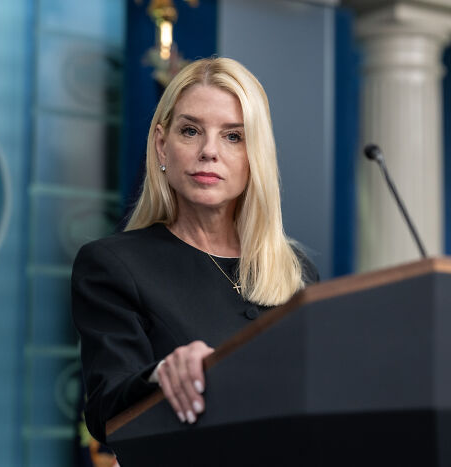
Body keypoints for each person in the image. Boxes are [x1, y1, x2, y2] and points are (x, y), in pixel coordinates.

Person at [71, 57, 319, 444]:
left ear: (257, 156)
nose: (209, 151)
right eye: (190, 131)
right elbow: (105, 409)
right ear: (162, 145)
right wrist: (161, 373)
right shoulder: (113, 265)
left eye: (233, 136)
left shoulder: (296, 269)